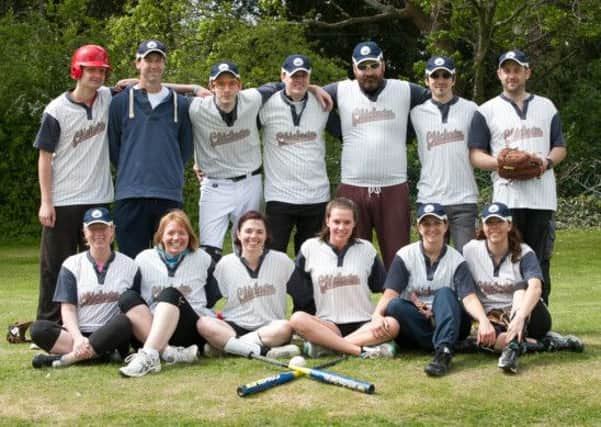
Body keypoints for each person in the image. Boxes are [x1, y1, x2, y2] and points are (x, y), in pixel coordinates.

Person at [468, 49, 567, 303]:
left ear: (527, 72)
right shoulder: (486, 110)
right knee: (511, 257)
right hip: (507, 199)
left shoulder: (546, 106)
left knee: (540, 258)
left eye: (517, 70)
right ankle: (511, 313)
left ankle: (539, 318)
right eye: (507, 70)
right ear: (499, 74)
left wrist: (545, 162)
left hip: (542, 197)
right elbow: (476, 155)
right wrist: (501, 164)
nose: (512, 75)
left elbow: (560, 147)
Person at [323, 41, 430, 269]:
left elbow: (435, 101)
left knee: (398, 258)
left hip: (393, 187)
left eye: (373, 65)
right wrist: (339, 130)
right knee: (351, 258)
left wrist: (409, 132)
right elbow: (310, 98)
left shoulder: (404, 89)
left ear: (383, 65)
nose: (368, 72)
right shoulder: (341, 90)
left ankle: (395, 305)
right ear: (354, 69)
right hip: (353, 186)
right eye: (363, 67)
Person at [34, 44, 114, 323]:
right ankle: (49, 323)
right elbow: (44, 157)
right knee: (55, 266)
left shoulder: (107, 98)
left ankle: (94, 320)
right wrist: (46, 201)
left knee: (98, 263)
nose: (97, 75)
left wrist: (192, 88)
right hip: (64, 200)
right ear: (77, 71)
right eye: (91, 69)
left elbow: (144, 84)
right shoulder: (57, 109)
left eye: (101, 70)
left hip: (98, 197)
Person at [462, 202, 583, 374]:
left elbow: (535, 288)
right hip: (496, 318)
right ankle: (546, 344)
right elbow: (463, 287)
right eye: (489, 223)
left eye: (499, 222)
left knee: (521, 286)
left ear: (509, 225)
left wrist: (519, 318)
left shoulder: (524, 252)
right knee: (489, 341)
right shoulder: (470, 251)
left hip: (531, 316)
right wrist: (482, 320)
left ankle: (512, 350)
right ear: (483, 226)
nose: (494, 227)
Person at [383, 203, 495, 377]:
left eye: (437, 223)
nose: (432, 229)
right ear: (418, 228)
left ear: (446, 226)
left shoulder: (456, 259)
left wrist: (483, 320)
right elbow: (390, 293)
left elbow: (469, 297)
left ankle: (443, 352)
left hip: (449, 319)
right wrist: (376, 316)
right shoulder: (405, 255)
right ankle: (447, 344)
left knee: (444, 293)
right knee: (395, 306)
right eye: (426, 224)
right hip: (417, 321)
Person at [108, 40, 193, 259]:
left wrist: (167, 168)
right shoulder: (119, 103)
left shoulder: (181, 105)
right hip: (130, 194)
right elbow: (114, 147)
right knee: (131, 263)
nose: (153, 66)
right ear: (137, 63)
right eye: (148, 60)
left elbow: (185, 148)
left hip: (168, 194)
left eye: (158, 60)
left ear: (164, 64)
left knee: (169, 262)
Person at [288, 197, 399, 359]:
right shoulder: (310, 247)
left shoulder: (366, 249)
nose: (341, 227)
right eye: (336, 221)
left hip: (364, 324)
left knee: (392, 325)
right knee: (297, 319)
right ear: (327, 221)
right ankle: (357, 349)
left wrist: (378, 316)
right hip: (328, 326)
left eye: (347, 222)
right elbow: (301, 293)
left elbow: (385, 289)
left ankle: (330, 347)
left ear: (354, 223)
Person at [30, 207, 139, 368]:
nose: (98, 234)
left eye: (103, 228)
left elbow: (135, 308)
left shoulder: (130, 265)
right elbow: (68, 308)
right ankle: (101, 355)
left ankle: (67, 359)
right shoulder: (72, 264)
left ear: (112, 230)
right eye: (92, 229)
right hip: (77, 334)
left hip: (112, 332)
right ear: (84, 232)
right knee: (38, 329)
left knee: (124, 322)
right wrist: (78, 338)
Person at [118, 210, 219, 377]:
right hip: (149, 329)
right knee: (126, 297)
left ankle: (148, 356)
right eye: (170, 233)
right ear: (160, 236)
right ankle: (168, 352)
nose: (176, 238)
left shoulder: (203, 259)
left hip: (188, 329)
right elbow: (136, 297)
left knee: (170, 293)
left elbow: (211, 298)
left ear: (190, 235)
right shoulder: (143, 258)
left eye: (182, 233)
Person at [196, 211, 300, 359]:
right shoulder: (226, 263)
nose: (253, 236)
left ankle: (230, 347)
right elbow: (209, 299)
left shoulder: (282, 261)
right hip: (234, 326)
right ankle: (264, 351)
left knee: (285, 327)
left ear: (266, 235)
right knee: (204, 323)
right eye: (248, 231)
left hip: (269, 328)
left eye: (259, 232)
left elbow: (301, 293)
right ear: (238, 234)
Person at [260, 54, 331, 254]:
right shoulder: (266, 104)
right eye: (293, 76)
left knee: (311, 260)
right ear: (283, 76)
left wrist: (316, 89)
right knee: (273, 257)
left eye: (303, 76)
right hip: (279, 196)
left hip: (316, 196)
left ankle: (305, 287)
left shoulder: (323, 102)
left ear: (310, 77)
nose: (299, 81)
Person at [410, 56, 479, 252]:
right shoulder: (415, 113)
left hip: (464, 199)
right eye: (435, 75)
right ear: (427, 80)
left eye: (445, 75)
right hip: (430, 197)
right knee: (431, 261)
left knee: (467, 261)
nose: (440, 80)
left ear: (453, 79)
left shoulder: (471, 109)